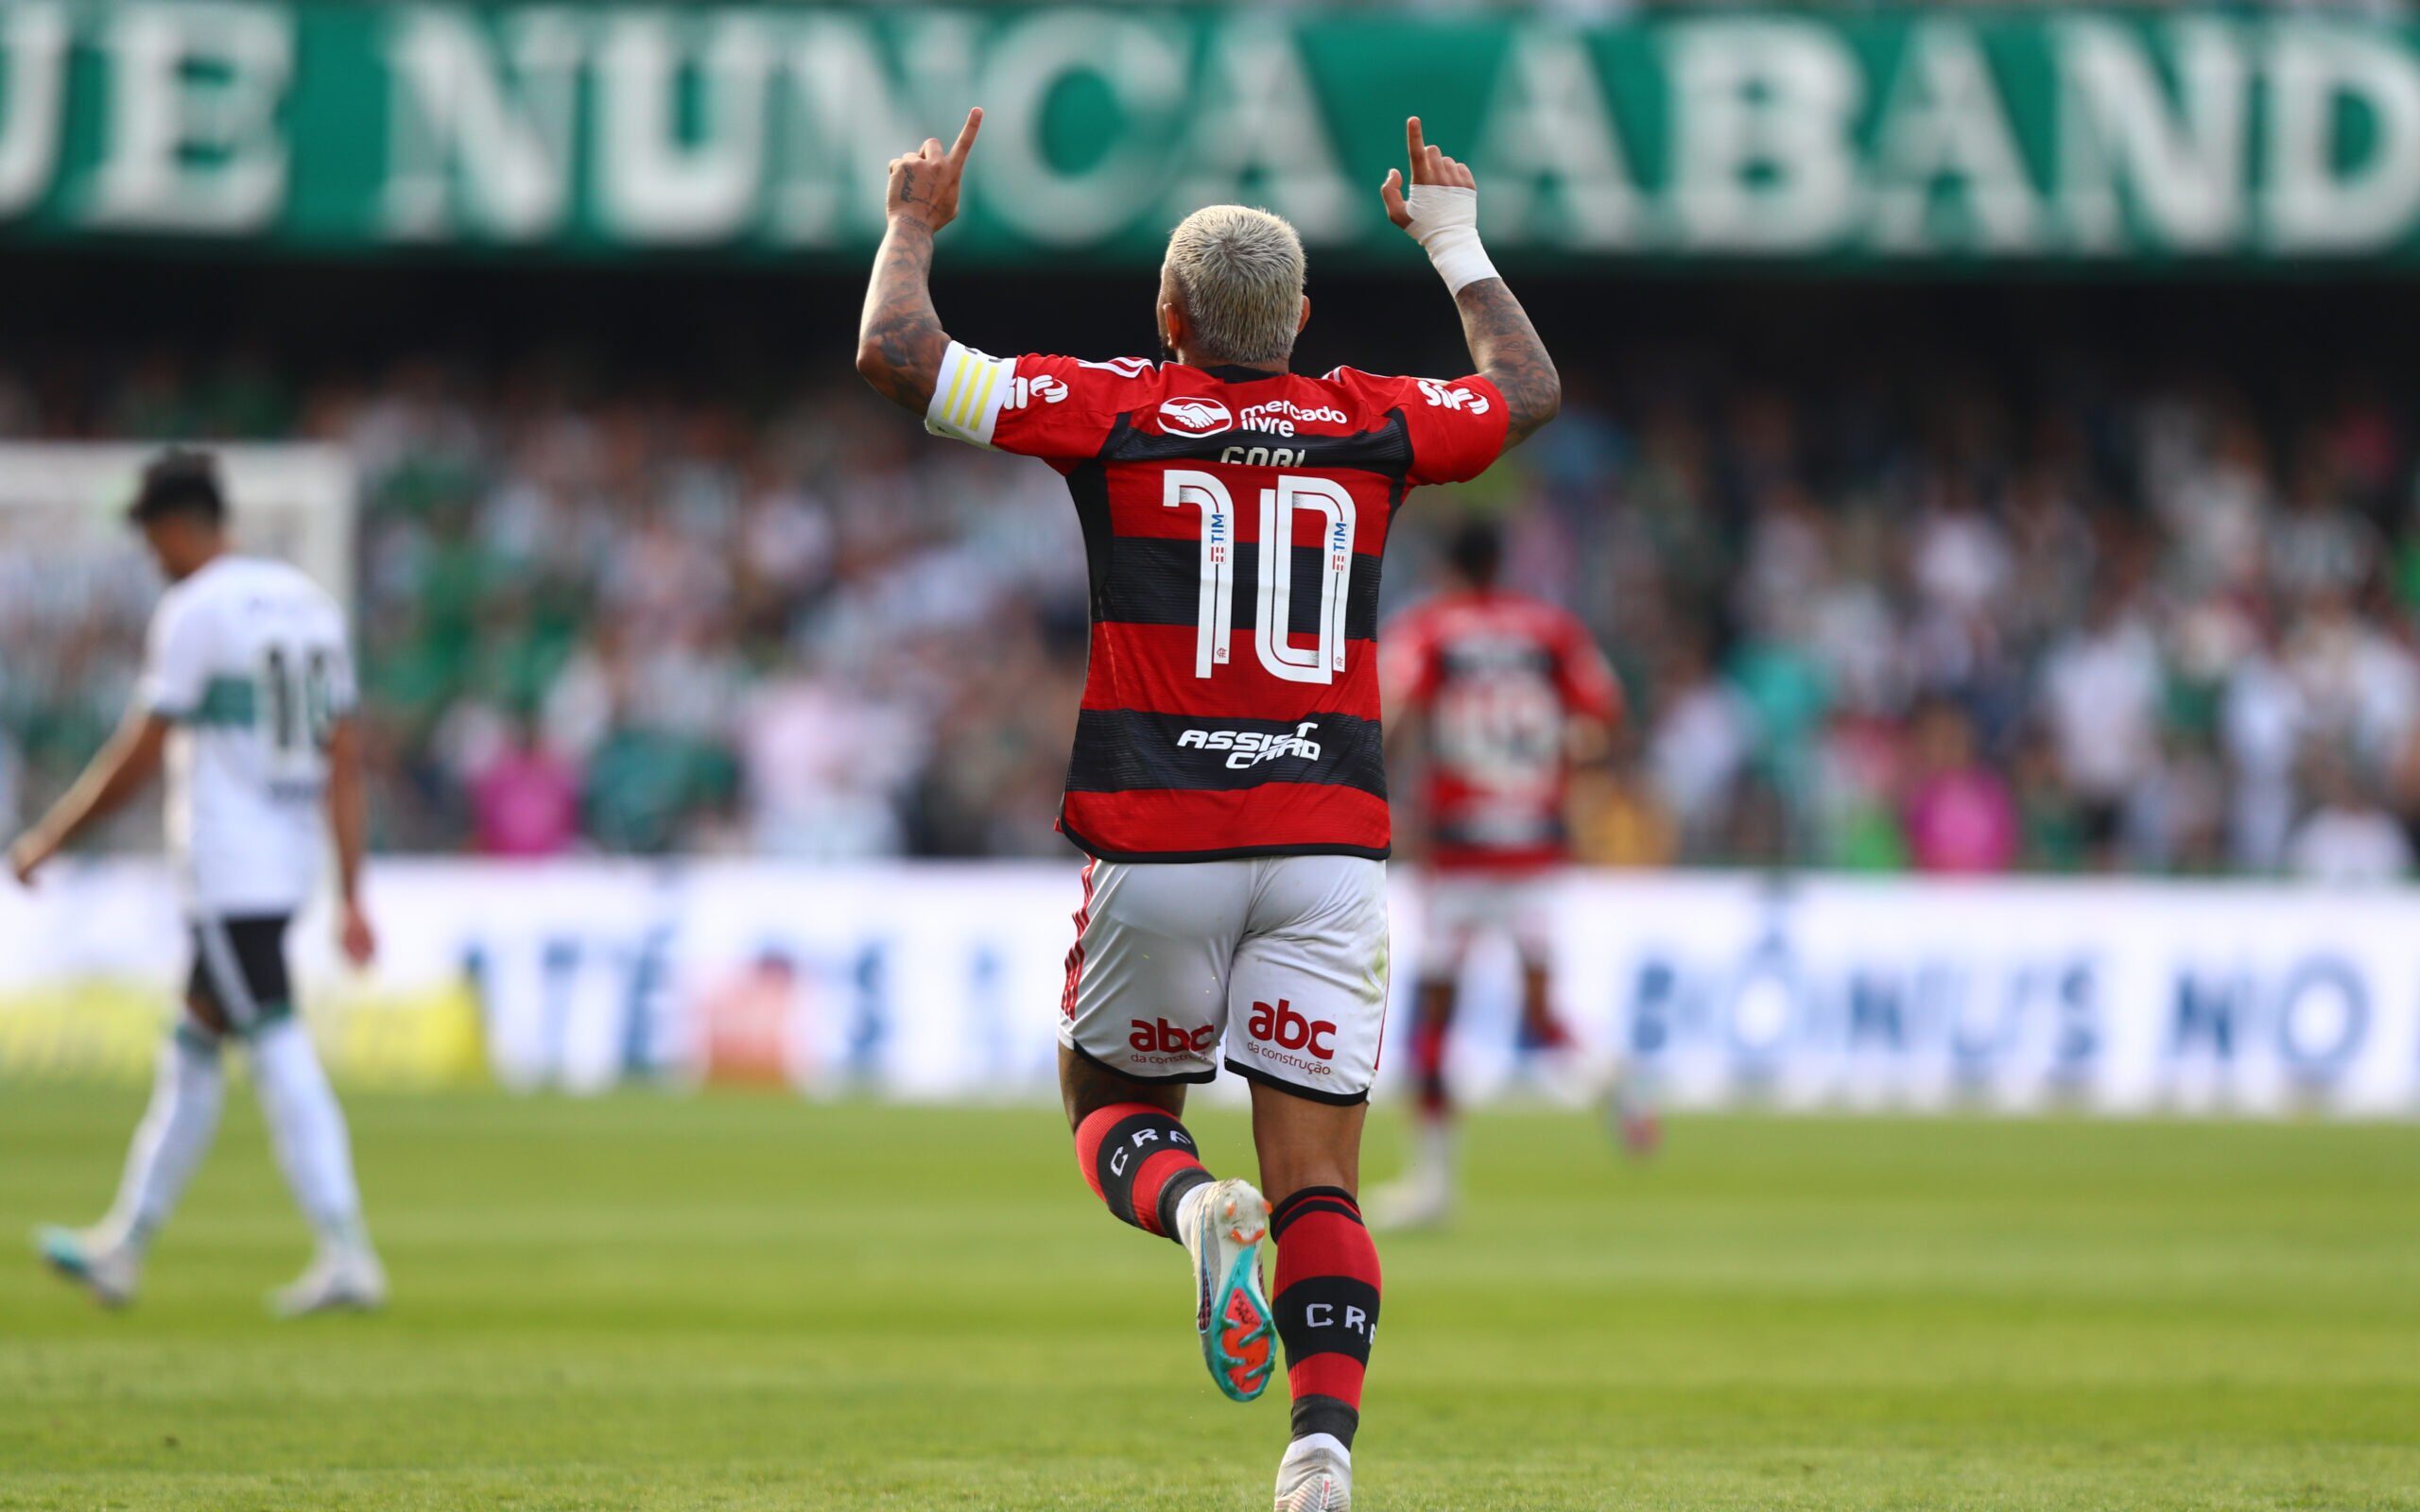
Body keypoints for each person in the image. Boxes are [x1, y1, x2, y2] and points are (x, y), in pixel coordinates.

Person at [856, 109, 1557, 1512]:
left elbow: (899, 353)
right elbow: (1525, 389)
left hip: (1160, 830)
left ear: (1165, 313)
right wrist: (1455, 239)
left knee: (1111, 1105)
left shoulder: (1112, 407)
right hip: (1328, 846)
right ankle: (1317, 1463)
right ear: (1297, 317)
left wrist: (916, 222)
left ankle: (1189, 1207)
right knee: (1324, 1182)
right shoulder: (1371, 420)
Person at [8, 450, 386, 1316]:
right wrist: (352, 890)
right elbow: (346, 761)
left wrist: (49, 839)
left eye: (152, 541)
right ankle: (127, 1246)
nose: (152, 560)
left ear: (179, 526)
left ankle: (346, 1248)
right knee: (193, 1048)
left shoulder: (196, 611)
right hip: (286, 861)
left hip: (227, 864)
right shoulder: (311, 607)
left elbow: (140, 753)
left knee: (277, 1043)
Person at [1368, 517, 1639, 1232]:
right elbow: (1604, 718)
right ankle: (1610, 1079)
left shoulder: (1429, 630)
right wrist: (1568, 764)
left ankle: (1432, 1184)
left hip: (1459, 852)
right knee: (1542, 1013)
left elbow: (1389, 719)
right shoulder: (1550, 632)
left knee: (1432, 1018)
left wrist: (1379, 796)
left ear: (1449, 566)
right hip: (1537, 846)